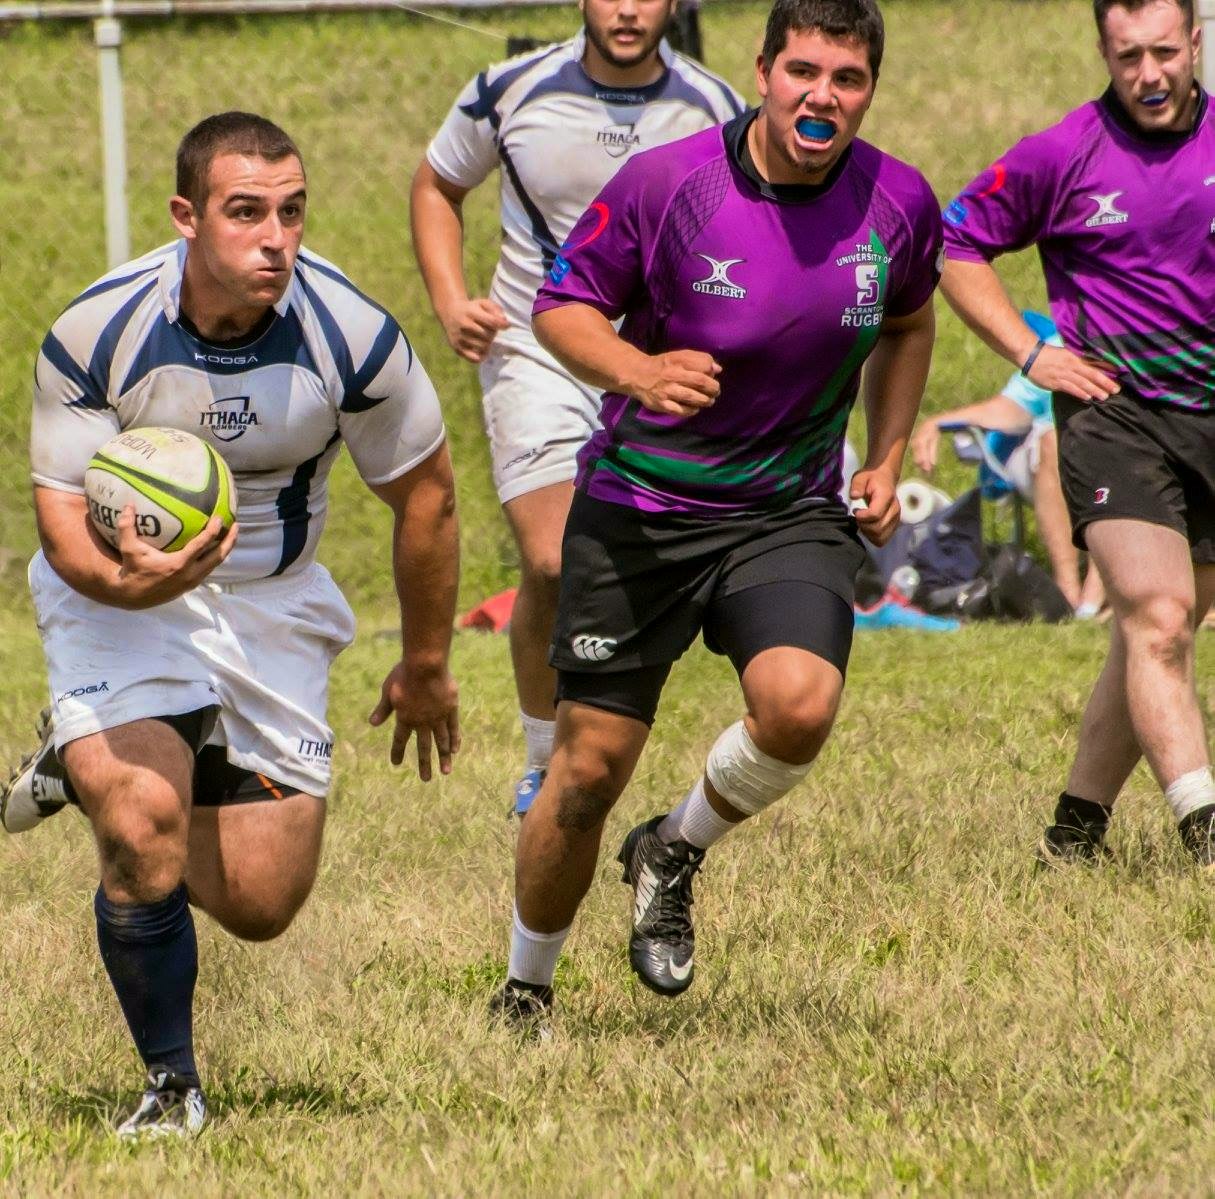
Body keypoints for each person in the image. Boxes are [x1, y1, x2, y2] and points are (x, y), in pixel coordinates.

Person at [0, 112, 460, 1136]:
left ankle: (79, 762)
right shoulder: (98, 330)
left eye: (292, 212)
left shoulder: (353, 337)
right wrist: (136, 585)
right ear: (186, 216)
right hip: (117, 590)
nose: (275, 238)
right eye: (246, 212)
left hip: (272, 598)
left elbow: (426, 494)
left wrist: (427, 660)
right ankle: (172, 1086)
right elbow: (65, 530)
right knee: (143, 825)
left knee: (261, 900)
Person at [490, 0, 940, 1027]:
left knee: (800, 707)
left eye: (848, 78)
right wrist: (638, 371)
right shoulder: (670, 184)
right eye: (803, 71)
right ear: (763, 72)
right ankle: (526, 985)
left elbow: (909, 322)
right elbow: (560, 306)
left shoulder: (897, 201)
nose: (822, 96)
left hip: (785, 510)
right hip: (641, 508)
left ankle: (672, 848)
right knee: (586, 772)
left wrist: (884, 453)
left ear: (870, 89)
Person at [411, 0, 742, 817]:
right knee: (555, 560)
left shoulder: (716, 106)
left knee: (651, 565)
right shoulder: (507, 90)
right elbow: (437, 184)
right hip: (537, 350)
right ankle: (542, 757)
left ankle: (609, 735)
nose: (627, 8)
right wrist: (451, 301)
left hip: (657, 360)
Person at [939, 0, 1215, 866]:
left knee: (1150, 635)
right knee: (1158, 617)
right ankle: (1206, 836)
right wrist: (1031, 354)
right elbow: (955, 243)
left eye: (1163, 52)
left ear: (1195, 41)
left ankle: (1073, 831)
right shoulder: (1061, 154)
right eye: (1127, 56)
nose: (1149, 74)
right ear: (1102, 49)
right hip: (1112, 414)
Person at [910, 311, 1105, 616]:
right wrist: (935, 422)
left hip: (1118, 461)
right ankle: (1068, 591)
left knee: (1114, 455)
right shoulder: (1066, 346)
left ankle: (1098, 591)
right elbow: (1008, 410)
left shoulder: (1149, 345)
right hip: (1060, 466)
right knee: (1051, 439)